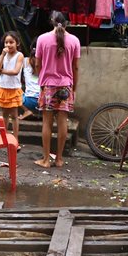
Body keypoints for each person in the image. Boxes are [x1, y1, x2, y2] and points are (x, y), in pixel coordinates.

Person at [31, 11, 80, 169]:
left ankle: (46, 159)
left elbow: (37, 64)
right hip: (66, 85)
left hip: (48, 85)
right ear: (68, 22)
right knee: (62, 122)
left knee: (47, 121)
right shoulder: (74, 40)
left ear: (51, 21)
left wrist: (42, 80)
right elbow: (76, 67)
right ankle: (58, 159)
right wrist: (74, 88)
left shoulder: (42, 39)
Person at [0, 31, 24, 144]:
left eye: (11, 42)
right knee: (4, 115)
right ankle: (3, 137)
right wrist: (2, 55)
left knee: (14, 116)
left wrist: (3, 71)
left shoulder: (19, 55)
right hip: (3, 87)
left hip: (13, 89)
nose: (8, 45)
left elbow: (15, 71)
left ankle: (15, 140)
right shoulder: (4, 55)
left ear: (17, 43)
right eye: (6, 42)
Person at [20, 55, 40, 121]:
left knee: (13, 93)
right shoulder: (45, 62)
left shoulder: (25, 61)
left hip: (27, 102)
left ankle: (26, 111)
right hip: (43, 102)